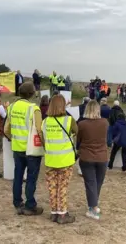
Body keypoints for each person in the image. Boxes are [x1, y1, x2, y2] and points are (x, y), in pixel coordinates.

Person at [4, 82, 44, 215]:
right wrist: (45, 145)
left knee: (18, 176)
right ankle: (30, 205)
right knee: (31, 178)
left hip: (17, 148)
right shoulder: (34, 109)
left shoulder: (12, 107)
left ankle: (17, 202)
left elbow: (6, 129)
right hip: (31, 149)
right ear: (32, 94)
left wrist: (13, 138)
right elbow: (39, 130)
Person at [42, 94, 78, 224]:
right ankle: (62, 214)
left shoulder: (45, 122)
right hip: (65, 160)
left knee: (52, 187)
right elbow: (76, 131)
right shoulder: (69, 120)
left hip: (51, 159)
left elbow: (43, 139)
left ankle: (54, 213)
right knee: (62, 187)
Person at [77, 100, 109, 220]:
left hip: (86, 156)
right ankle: (93, 206)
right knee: (98, 183)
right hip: (102, 157)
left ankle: (93, 208)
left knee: (91, 183)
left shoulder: (82, 124)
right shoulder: (105, 122)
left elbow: (78, 140)